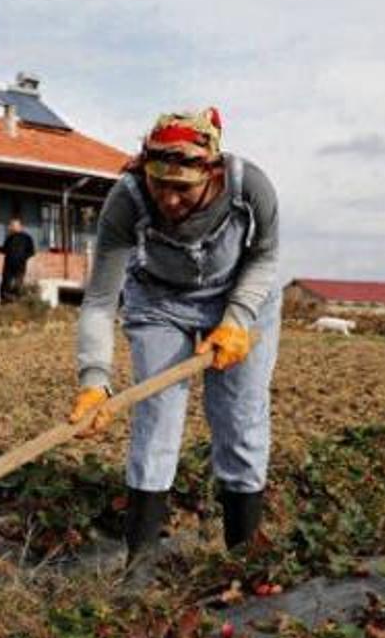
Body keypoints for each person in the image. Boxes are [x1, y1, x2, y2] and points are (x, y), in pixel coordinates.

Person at [68, 107, 281, 585]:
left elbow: (265, 258)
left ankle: (244, 560)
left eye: (182, 188)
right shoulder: (127, 198)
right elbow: (100, 299)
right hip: (159, 303)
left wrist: (236, 320)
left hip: (240, 296)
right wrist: (94, 381)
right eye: (159, 183)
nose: (168, 198)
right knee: (157, 418)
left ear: (212, 173)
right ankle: (139, 568)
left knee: (241, 421)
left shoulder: (250, 186)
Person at [0, 218, 35, 303]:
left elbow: (31, 252)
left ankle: (17, 303)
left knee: (18, 286)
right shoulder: (9, 238)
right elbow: (4, 250)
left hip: (20, 266)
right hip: (8, 266)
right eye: (10, 225)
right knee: (5, 285)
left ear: (19, 226)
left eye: (13, 225)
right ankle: (5, 303)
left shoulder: (27, 238)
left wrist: (22, 258)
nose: (10, 227)